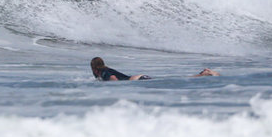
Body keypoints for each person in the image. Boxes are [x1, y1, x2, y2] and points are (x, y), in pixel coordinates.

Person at [90, 56, 218, 81]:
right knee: (172, 80)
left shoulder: (104, 73)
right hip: (140, 78)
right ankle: (203, 74)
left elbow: (113, 79)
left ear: (95, 68)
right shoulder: (105, 70)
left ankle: (204, 74)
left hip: (138, 80)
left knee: (173, 80)